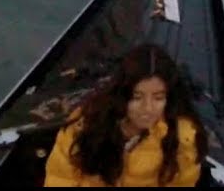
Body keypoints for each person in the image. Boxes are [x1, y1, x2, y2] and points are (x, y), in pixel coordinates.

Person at [44, 43, 207, 187]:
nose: (147, 108)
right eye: (137, 97)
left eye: (158, 98)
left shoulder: (183, 139)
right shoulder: (84, 125)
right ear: (122, 94)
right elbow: (60, 179)